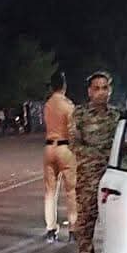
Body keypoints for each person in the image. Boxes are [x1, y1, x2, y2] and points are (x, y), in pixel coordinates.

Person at [70, 70, 120, 253]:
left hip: (114, 181)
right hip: (88, 180)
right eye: (96, 88)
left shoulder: (117, 116)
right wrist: (103, 155)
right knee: (85, 228)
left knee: (116, 227)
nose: (101, 92)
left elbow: (123, 146)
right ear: (89, 92)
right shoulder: (79, 114)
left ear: (110, 90)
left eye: (105, 88)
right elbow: (75, 144)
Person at [42, 71, 77, 243]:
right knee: (71, 191)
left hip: (49, 148)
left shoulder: (47, 105)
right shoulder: (68, 105)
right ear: (64, 86)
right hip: (64, 148)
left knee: (50, 192)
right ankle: (73, 230)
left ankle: (51, 229)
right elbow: (73, 130)